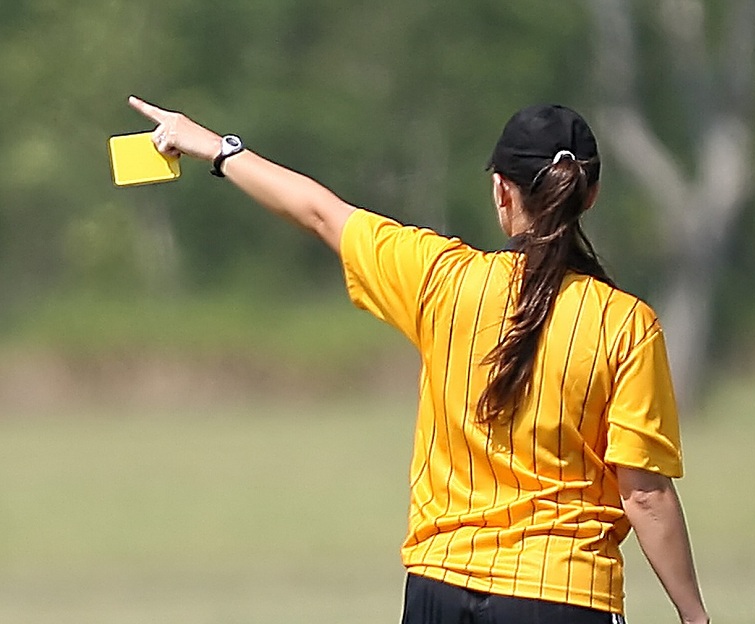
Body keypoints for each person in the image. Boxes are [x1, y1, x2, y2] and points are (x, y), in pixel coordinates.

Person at [128, 96, 709, 624]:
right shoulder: (626, 325)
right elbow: (644, 495)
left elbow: (320, 212)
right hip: (563, 594)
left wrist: (215, 148)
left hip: (438, 587)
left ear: (502, 191)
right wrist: (693, 615)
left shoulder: (440, 279)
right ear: (591, 195)